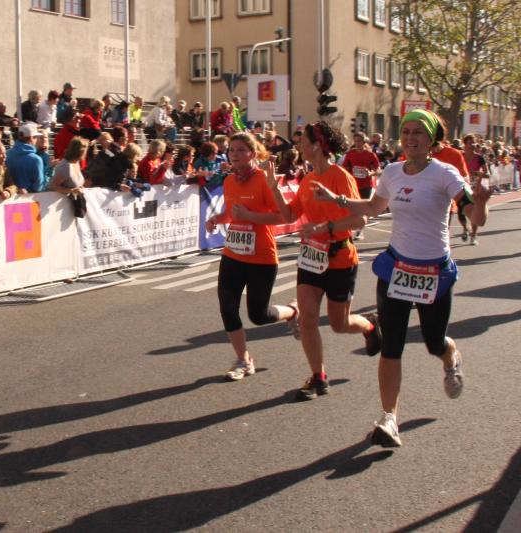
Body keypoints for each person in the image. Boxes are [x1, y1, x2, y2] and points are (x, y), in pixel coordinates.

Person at [311, 110, 490, 448]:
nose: (410, 138)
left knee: (434, 343)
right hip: (397, 269)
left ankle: (451, 357)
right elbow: (373, 208)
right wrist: (336, 200)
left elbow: (474, 215)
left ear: (431, 140)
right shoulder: (392, 172)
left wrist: (480, 205)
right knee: (391, 346)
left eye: (418, 132)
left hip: (433, 272)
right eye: (406, 131)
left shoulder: (445, 173)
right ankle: (389, 418)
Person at [266, 121, 381, 401]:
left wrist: (323, 227)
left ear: (317, 145)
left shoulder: (340, 177)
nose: (298, 145)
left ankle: (370, 325)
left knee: (339, 324)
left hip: (340, 257)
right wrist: (273, 187)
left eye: (303, 141)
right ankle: (318, 376)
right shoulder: (307, 179)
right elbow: (289, 216)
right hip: (311, 258)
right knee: (308, 319)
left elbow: (359, 219)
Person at [204, 133, 299, 380]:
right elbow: (231, 213)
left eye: (240, 150)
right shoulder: (229, 181)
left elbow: (283, 217)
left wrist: (250, 216)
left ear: (253, 154)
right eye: (231, 150)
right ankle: (243, 360)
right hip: (233, 254)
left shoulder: (263, 180)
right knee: (227, 308)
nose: (234, 154)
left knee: (259, 315)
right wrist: (216, 219)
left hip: (261, 257)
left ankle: (292, 311)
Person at [341, 131, 381, 240]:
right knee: (353, 209)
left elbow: (378, 170)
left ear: (364, 142)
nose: (357, 143)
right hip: (353, 185)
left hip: (366, 185)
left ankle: (360, 231)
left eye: (359, 141)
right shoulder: (350, 154)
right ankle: (351, 229)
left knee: (363, 209)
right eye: (356, 141)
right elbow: (344, 168)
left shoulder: (370, 155)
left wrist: (370, 173)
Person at [461, 134, 488, 245]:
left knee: (474, 212)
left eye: (473, 142)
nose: (471, 145)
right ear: (465, 144)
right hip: (461, 186)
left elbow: (487, 173)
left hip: (474, 188)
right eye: (469, 143)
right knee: (460, 211)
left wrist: (477, 173)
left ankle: (473, 235)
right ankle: (465, 228)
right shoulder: (460, 156)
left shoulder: (479, 158)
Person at [5, 123, 45, 193]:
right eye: (36, 137)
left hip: (9, 194)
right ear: (32, 138)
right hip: (29, 196)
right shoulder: (36, 159)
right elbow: (38, 187)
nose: (37, 140)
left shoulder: (7, 154)